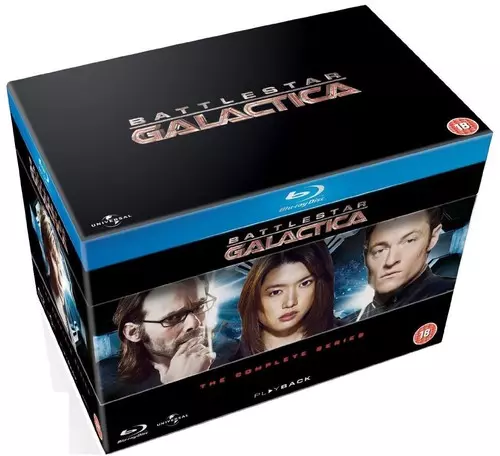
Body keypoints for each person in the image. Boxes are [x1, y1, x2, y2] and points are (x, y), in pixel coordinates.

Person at [99, 275, 219, 400]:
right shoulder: (106, 380)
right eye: (173, 318)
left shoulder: (228, 351)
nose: (195, 323)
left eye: (200, 306)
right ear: (133, 332)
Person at [235, 241, 339, 358]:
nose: (290, 302)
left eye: (304, 283)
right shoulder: (227, 359)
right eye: (276, 292)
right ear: (252, 297)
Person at [356, 208, 455, 321]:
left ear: (433, 238)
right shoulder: (355, 318)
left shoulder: (450, 293)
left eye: (409, 241)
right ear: (365, 254)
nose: (390, 261)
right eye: (380, 250)